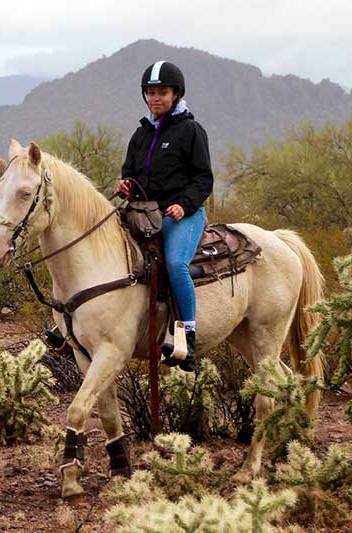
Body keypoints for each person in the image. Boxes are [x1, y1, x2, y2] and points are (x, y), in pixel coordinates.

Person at [116, 60, 213, 372]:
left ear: (176, 94)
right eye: (151, 92)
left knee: (174, 264)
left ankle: (188, 335)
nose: (155, 98)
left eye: (162, 92)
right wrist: (126, 185)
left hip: (181, 215)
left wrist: (184, 204)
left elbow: (203, 179)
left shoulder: (191, 131)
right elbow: (130, 172)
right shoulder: (141, 134)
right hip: (144, 213)